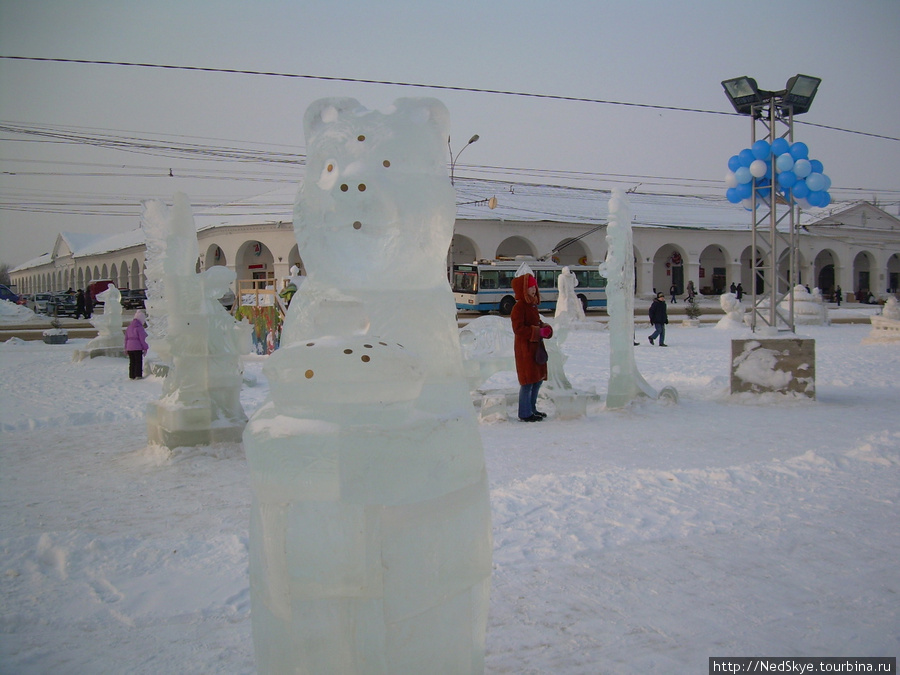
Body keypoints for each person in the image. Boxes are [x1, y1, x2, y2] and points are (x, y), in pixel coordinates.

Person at [511, 273, 550, 422]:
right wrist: (537, 331)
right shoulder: (519, 307)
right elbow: (518, 329)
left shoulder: (532, 305)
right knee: (527, 382)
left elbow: (537, 322)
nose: (533, 289)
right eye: (530, 287)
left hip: (535, 349)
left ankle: (532, 409)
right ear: (523, 289)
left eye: (534, 286)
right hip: (525, 350)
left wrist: (545, 328)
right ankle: (525, 413)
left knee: (536, 380)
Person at [125, 310, 149, 380]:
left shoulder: (129, 327)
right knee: (138, 361)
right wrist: (145, 347)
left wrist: (126, 348)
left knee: (132, 362)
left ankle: (131, 375)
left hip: (129, 347)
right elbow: (142, 339)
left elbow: (126, 338)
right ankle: (138, 375)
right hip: (137, 347)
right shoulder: (139, 328)